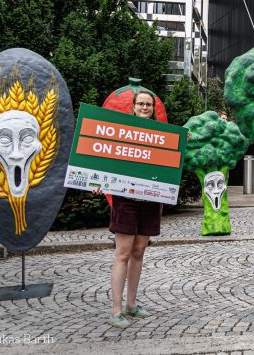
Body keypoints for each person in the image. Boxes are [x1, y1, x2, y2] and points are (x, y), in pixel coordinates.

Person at [100, 91, 163, 328]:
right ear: (133, 106)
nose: (145, 107)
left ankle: (131, 304)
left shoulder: (161, 135)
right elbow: (106, 159)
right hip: (125, 199)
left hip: (150, 199)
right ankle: (116, 310)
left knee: (139, 251)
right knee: (123, 253)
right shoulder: (122, 131)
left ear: (152, 108)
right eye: (141, 103)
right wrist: (99, 182)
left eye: (149, 104)